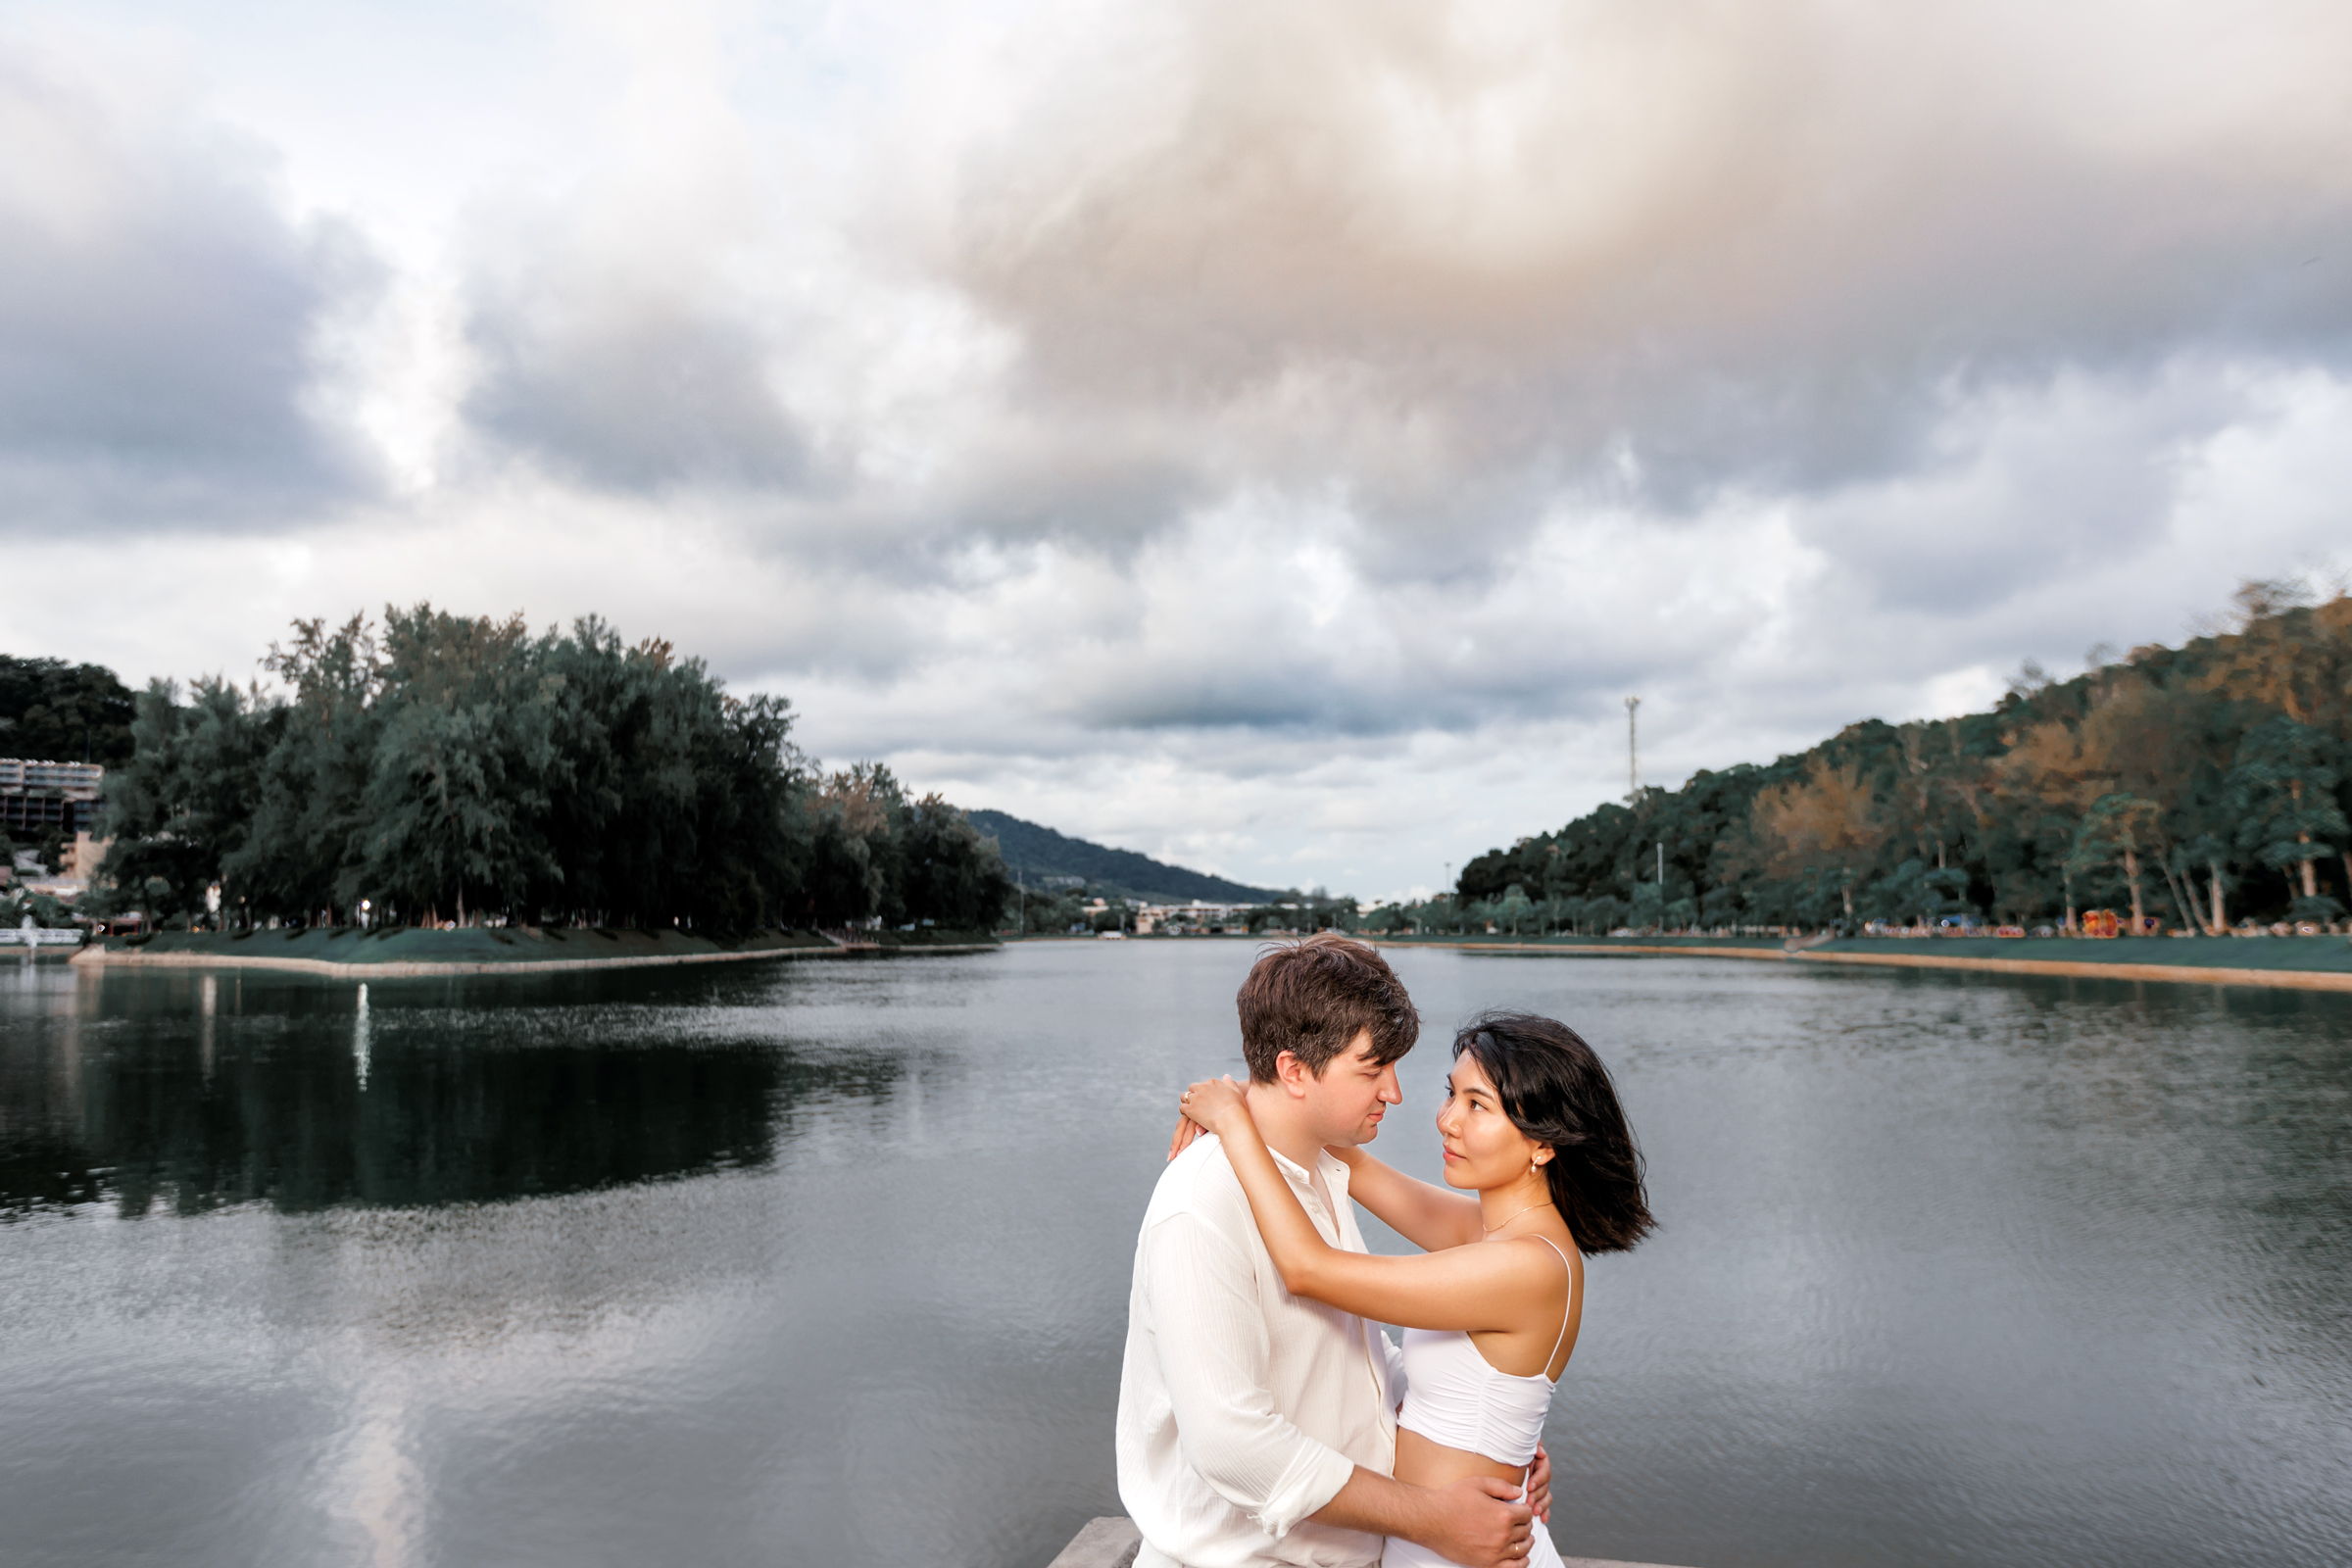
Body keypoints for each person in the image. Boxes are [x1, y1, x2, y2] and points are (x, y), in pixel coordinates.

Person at [1117, 935, 1549, 1568]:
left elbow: (1353, 1362)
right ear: (1294, 1071)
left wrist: (1481, 1444)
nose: (1395, 1093)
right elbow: (1233, 1445)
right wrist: (1431, 1516)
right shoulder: (1201, 1202)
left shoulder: (1321, 1168)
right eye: (1372, 1070)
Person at [1171, 1009, 1653, 1568]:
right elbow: (1350, 1161)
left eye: (1478, 1106)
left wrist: (1232, 1123)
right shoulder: (1491, 1232)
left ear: (1543, 1145)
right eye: (1452, 1094)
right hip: (1439, 1542)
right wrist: (1262, 1090)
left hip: (1460, 1553)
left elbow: (1308, 1268)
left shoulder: (1528, 1265)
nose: (1447, 1120)